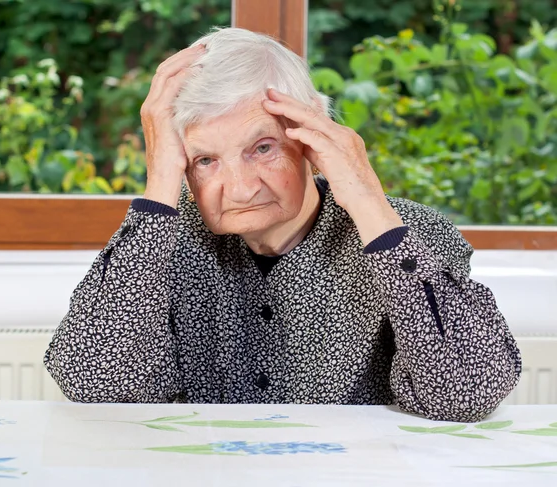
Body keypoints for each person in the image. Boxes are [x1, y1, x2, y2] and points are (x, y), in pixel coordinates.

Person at [44, 27, 521, 422]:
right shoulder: (160, 243)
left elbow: (467, 395)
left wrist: (368, 201)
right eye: (204, 159)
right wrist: (160, 183)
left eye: (262, 148)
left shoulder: (406, 233)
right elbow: (96, 384)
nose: (240, 188)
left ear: (311, 134)